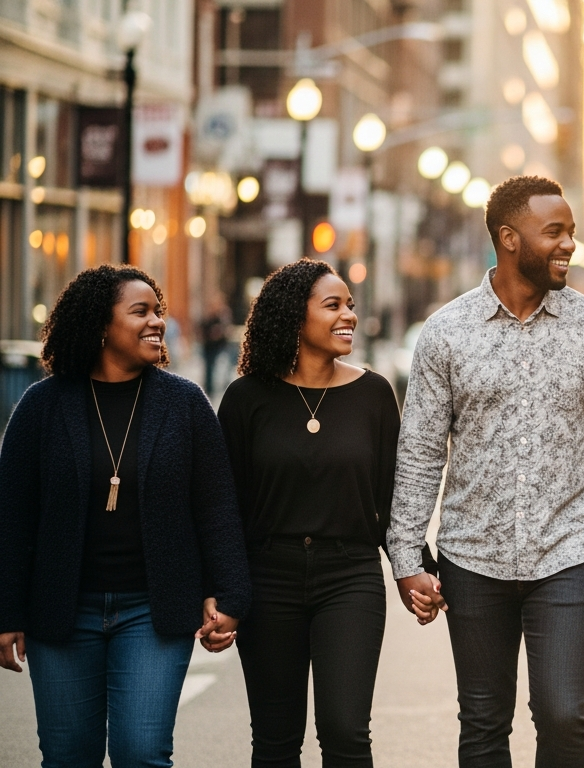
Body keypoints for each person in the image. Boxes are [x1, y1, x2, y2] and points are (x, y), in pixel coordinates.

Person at [388, 175, 584, 767]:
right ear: (509, 238)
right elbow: (421, 451)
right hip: (471, 558)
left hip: (567, 553)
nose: (569, 245)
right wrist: (406, 557)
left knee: (563, 712)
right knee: (483, 720)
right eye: (554, 232)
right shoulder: (447, 332)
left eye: (571, 232)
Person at [0, 265, 250, 766]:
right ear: (100, 325)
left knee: (142, 752)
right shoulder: (42, 406)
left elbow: (217, 506)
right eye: (141, 312)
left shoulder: (185, 403)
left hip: (152, 613)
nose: (157, 322)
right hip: (62, 612)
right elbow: (12, 516)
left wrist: (229, 595)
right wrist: (7, 611)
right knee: (68, 756)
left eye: (158, 311)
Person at [218, 259, 404, 766]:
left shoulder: (374, 394)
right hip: (267, 578)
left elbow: (394, 498)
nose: (349, 315)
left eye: (350, 305)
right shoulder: (246, 398)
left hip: (350, 576)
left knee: (346, 731)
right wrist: (220, 590)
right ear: (294, 317)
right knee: (275, 739)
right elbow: (224, 506)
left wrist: (414, 567)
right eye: (333, 305)